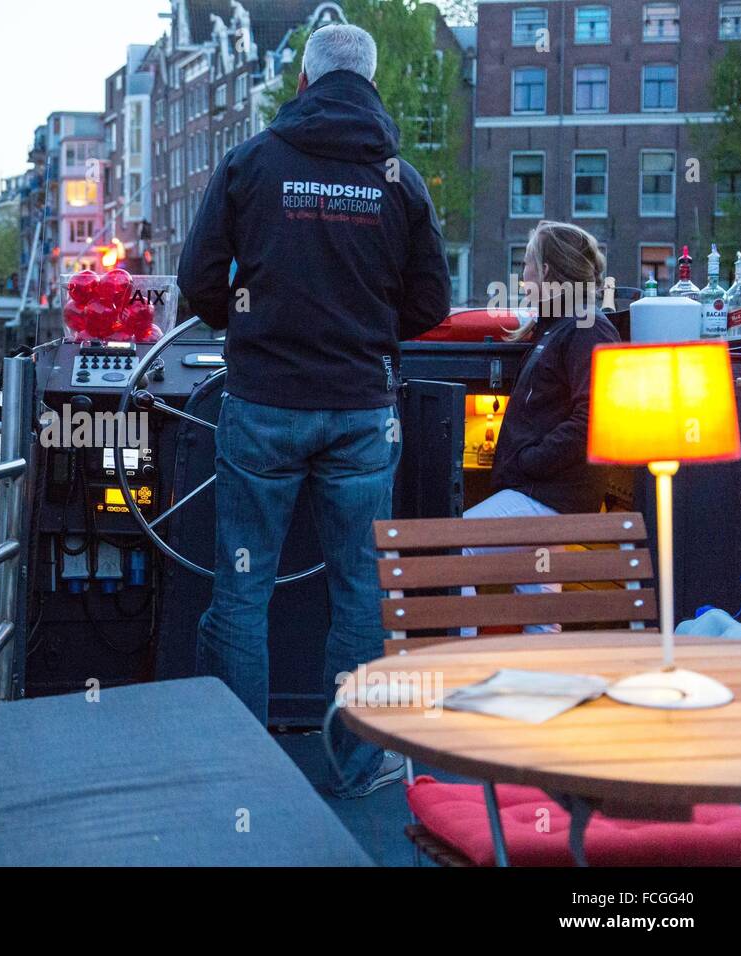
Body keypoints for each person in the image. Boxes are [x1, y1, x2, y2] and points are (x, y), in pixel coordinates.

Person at [176, 24, 450, 798]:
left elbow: (199, 281)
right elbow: (431, 301)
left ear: (302, 83)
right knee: (362, 590)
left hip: (263, 405)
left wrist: (254, 323)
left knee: (241, 587)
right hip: (362, 412)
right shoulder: (400, 181)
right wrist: (363, 328)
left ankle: (236, 765)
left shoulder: (253, 162)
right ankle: (361, 764)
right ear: (370, 86)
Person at [461, 222, 620, 633]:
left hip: (549, 494)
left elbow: (596, 417)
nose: (522, 278)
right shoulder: (559, 327)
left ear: (548, 272)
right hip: (546, 492)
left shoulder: (587, 327)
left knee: (455, 547)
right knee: (540, 612)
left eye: (527, 266)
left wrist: (530, 462)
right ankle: (547, 687)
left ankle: (453, 661)